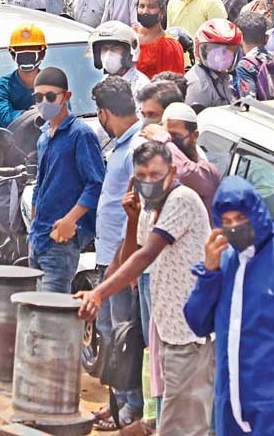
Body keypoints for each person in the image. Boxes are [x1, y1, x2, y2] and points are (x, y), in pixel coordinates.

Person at [75, 141, 214, 436]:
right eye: (142, 176)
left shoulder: (181, 200)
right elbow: (129, 256)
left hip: (189, 332)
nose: (149, 182)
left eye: (155, 175)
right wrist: (133, 219)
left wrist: (99, 293)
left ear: (172, 173)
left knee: (183, 424)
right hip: (166, 329)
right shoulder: (149, 209)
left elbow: (147, 254)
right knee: (170, 418)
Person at [183, 177, 274, 436]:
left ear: (257, 213)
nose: (234, 227)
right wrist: (209, 273)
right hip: (229, 406)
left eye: (241, 218)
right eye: (227, 221)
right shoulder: (223, 262)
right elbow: (197, 323)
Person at [90, 76, 146, 430]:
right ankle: (118, 402)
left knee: (123, 336)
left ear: (104, 113)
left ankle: (130, 406)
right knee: (110, 331)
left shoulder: (137, 147)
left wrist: (122, 263)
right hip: (110, 255)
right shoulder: (123, 145)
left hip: (122, 260)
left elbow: (135, 212)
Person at [28, 67, 105, 293]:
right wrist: (33, 225)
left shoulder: (80, 134)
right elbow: (40, 184)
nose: (44, 102)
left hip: (62, 240)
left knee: (51, 308)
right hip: (39, 237)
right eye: (38, 97)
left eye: (51, 96)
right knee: (36, 307)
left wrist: (70, 221)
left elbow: (95, 184)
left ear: (67, 96)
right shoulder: (44, 136)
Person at [140, 102, 222, 214]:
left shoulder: (209, 172)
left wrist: (162, 140)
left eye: (175, 135)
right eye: (168, 135)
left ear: (194, 136)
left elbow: (184, 173)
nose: (171, 140)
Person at [0, 23, 46, 126]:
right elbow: (6, 119)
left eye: (32, 48)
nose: (26, 54)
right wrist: (34, 114)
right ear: (12, 55)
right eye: (20, 49)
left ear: (42, 54)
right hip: (12, 136)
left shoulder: (54, 84)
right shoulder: (2, 86)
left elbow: (64, 117)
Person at [186, 18, 242, 111]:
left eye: (230, 50)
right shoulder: (199, 85)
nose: (223, 57)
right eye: (216, 50)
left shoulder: (225, 77)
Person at [135, 0, 186, 78]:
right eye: (141, 6)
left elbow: (173, 83)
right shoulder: (129, 35)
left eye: (151, 7)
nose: (145, 11)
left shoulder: (169, 46)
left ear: (162, 11)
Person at [89, 21, 150, 97]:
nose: (108, 54)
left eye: (115, 49)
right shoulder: (104, 82)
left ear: (128, 52)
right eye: (105, 48)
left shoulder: (141, 86)